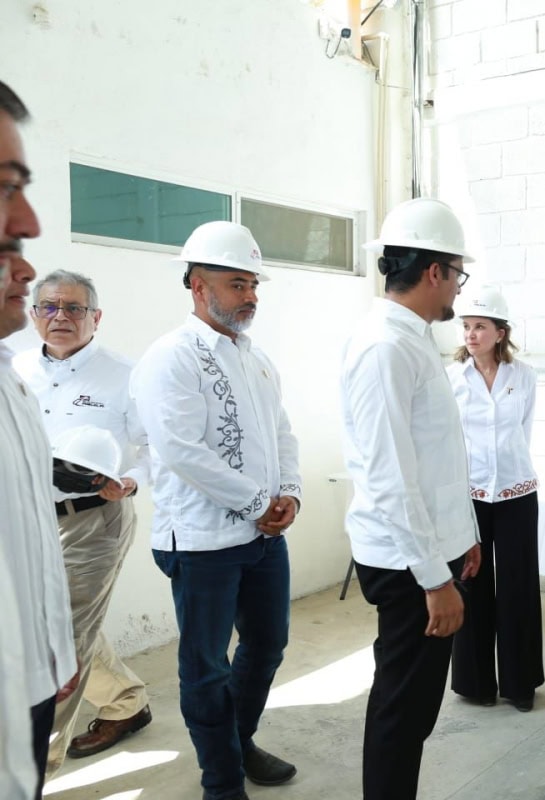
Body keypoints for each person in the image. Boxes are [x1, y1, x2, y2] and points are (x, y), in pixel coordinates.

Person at [130, 221, 302, 800]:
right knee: (207, 665)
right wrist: (257, 503)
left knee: (268, 645)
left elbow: (281, 433)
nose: (250, 296)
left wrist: (290, 492)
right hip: (202, 542)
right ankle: (222, 783)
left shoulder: (255, 357)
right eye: (237, 284)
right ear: (198, 285)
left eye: (253, 284)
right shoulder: (171, 357)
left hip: (263, 539)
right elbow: (179, 449)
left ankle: (238, 740)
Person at [340, 197, 482, 800]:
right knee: (402, 710)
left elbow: (438, 457)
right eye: (457, 276)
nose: (457, 291)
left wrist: (463, 536)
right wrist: (434, 578)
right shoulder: (386, 347)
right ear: (434, 271)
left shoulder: (411, 338)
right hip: (407, 566)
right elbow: (389, 477)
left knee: (416, 705)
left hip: (428, 551)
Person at [15, 270, 153, 774]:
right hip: (23, 520)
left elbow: (157, 447)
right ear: (34, 315)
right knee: (51, 627)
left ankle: (34, 769)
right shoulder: (15, 370)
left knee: (60, 645)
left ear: (96, 317)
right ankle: (124, 701)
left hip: (91, 522)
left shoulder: (127, 375)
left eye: (74, 308)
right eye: (50, 307)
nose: (61, 317)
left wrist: (131, 480)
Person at [0, 80, 78, 800]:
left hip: (29, 677)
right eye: (6, 188)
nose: (28, 223)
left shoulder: (9, 382)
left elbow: (27, 542)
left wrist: (56, 652)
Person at [447, 285, 544, 712]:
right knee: (471, 583)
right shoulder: (451, 377)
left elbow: (524, 431)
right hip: (468, 494)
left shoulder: (524, 376)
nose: (471, 334)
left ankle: (521, 684)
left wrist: (508, 472)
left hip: (516, 491)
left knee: (519, 586)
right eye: (467, 326)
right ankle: (475, 683)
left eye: (480, 326)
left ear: (500, 332)